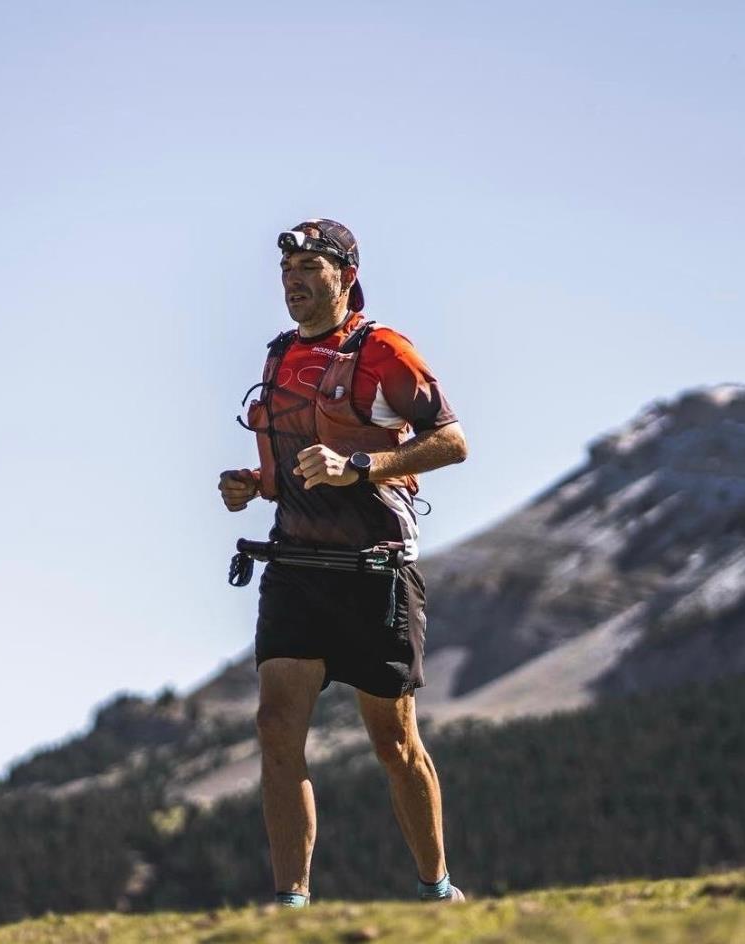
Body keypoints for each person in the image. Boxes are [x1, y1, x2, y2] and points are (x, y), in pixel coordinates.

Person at [218, 219, 468, 907]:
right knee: (275, 725)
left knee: (394, 743)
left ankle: (435, 888)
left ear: (346, 276)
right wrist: (252, 484)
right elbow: (291, 473)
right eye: (286, 271)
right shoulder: (278, 358)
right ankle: (291, 905)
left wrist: (360, 465)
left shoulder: (383, 350)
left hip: (374, 570)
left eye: (310, 268)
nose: (293, 281)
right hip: (295, 567)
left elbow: (451, 442)